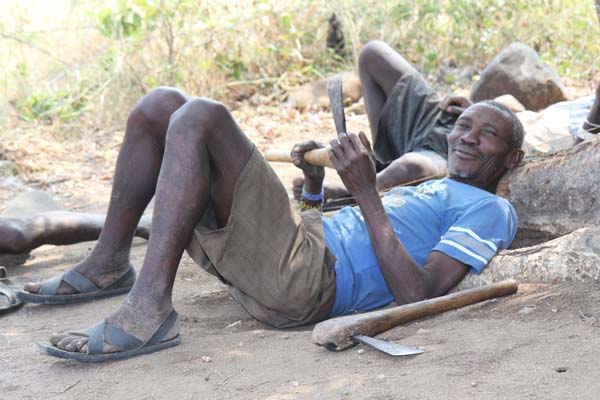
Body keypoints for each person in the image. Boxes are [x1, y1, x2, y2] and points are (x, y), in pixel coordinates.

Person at [14, 77, 524, 361]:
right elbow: (346, 232)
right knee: (160, 105)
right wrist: (318, 185)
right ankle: (109, 262)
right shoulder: (435, 186)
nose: (466, 137)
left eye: (488, 135)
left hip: (308, 284)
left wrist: (369, 191)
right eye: (464, 126)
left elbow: (419, 295)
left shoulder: (490, 208)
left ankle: (148, 307)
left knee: (201, 116)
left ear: (511, 160)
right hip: (297, 256)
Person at [293, 41, 600, 201]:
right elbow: (520, 114)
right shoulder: (584, 100)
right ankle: (380, 164)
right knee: (373, 55)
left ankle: (358, 190)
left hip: (472, 150)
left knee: (414, 168)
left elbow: (586, 142)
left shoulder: (592, 128)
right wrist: (477, 112)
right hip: (459, 122)